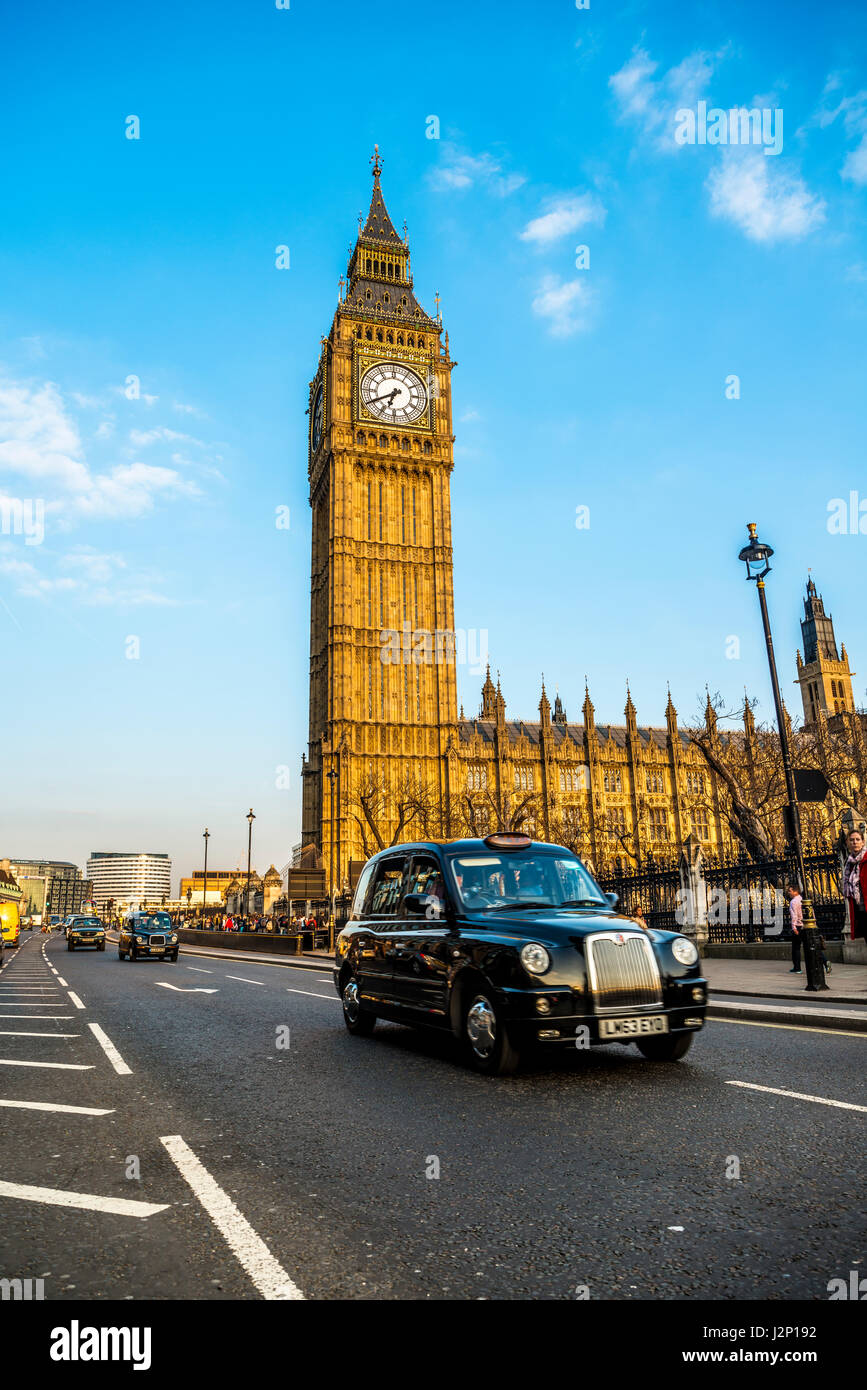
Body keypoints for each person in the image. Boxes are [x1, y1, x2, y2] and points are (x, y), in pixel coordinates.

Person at [843, 828, 867, 945]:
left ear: (863, 841)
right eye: (852, 840)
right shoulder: (849, 864)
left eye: (858, 839)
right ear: (847, 843)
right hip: (860, 911)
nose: (855, 842)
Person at [785, 885, 803, 973]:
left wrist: (794, 927)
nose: (789, 893)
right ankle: (825, 961)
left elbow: (794, 915)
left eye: (790, 891)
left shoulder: (793, 902)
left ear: (795, 891)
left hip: (798, 926)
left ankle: (797, 968)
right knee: (810, 946)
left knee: (796, 948)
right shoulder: (802, 900)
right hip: (806, 925)